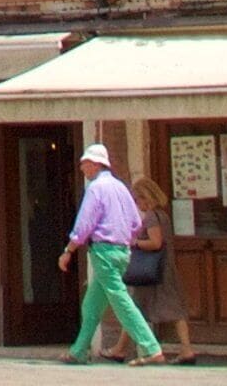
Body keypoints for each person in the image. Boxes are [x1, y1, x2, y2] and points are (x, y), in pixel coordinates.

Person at [58, 141, 177, 365]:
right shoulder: (121, 187)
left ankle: (151, 348)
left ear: (95, 165)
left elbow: (84, 224)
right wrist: (127, 243)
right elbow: (135, 222)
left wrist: (69, 250)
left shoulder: (95, 189)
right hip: (121, 251)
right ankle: (79, 350)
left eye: (84, 163)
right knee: (92, 304)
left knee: (121, 301)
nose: (82, 168)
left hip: (104, 251)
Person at [83, 168, 176, 363]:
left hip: (151, 270)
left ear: (145, 198)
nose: (136, 204)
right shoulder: (163, 215)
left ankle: (150, 348)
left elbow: (155, 242)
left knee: (127, 305)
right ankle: (111, 348)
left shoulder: (151, 217)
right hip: (161, 269)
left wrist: (133, 243)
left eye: (137, 200)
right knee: (126, 305)